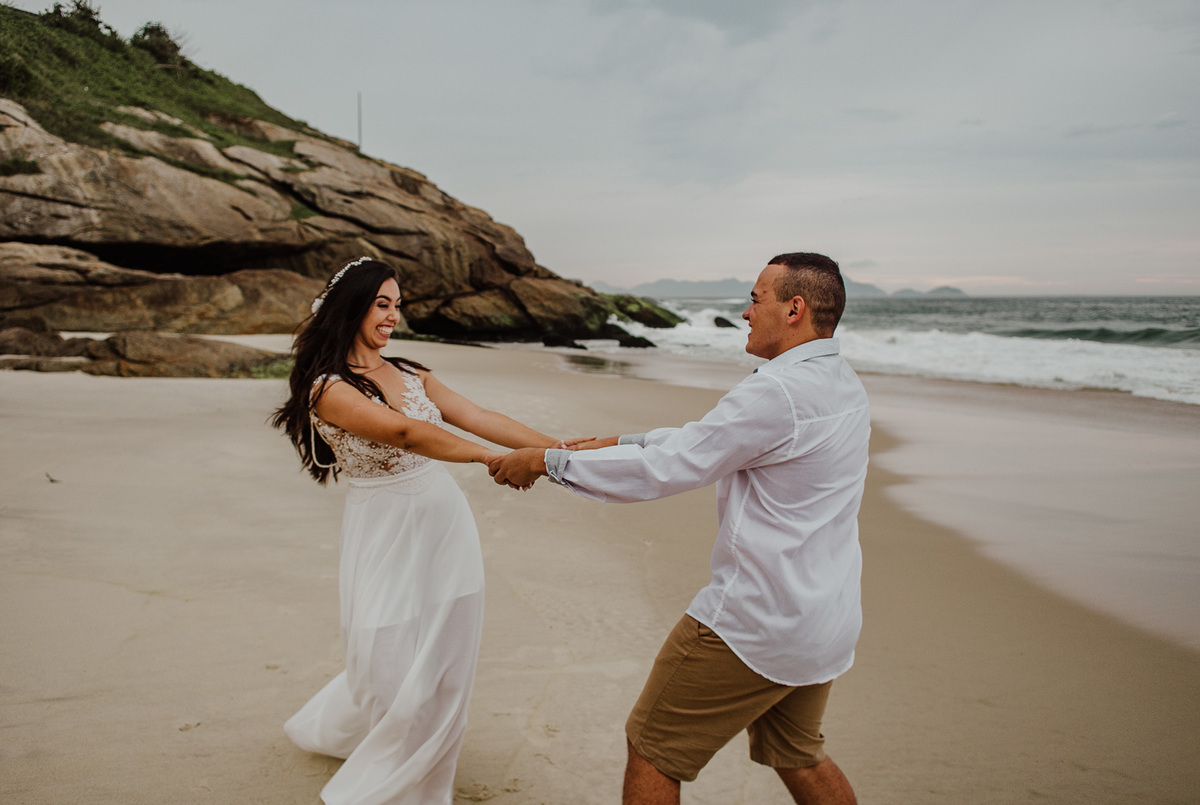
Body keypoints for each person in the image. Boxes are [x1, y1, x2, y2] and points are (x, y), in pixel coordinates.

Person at [489, 253, 870, 804]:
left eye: (755, 299)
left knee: (652, 747)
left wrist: (547, 462)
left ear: (794, 308)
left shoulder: (777, 393)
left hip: (755, 621)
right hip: (824, 617)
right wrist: (622, 441)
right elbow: (711, 438)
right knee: (797, 753)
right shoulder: (841, 380)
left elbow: (669, 469)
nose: (744, 312)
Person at [271, 256, 562, 805]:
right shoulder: (327, 387)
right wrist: (492, 460)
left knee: (443, 649)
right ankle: (371, 737)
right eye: (382, 304)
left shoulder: (408, 371)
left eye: (397, 305)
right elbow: (404, 431)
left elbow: (475, 413)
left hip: (440, 519)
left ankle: (414, 776)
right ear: (351, 306)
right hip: (382, 526)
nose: (393, 316)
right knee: (382, 655)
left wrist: (553, 449)